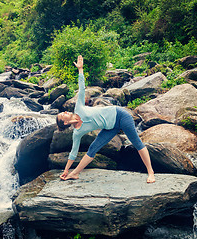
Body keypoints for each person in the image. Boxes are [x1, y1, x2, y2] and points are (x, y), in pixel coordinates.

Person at [56, 55, 155, 183]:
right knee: (92, 149)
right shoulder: (77, 133)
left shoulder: (78, 108)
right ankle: (74, 174)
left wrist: (80, 69)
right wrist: (66, 170)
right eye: (62, 115)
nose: (64, 111)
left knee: (136, 142)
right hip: (110, 128)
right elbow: (73, 153)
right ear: (65, 122)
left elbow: (81, 88)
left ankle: (151, 172)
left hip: (120, 115)